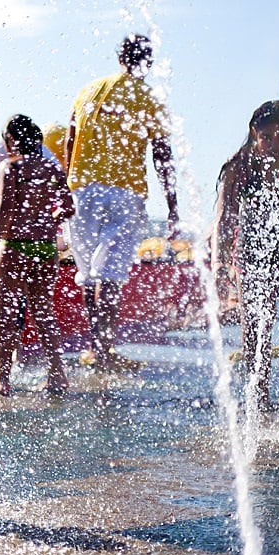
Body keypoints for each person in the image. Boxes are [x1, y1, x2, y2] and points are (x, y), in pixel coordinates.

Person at [65, 34, 178, 369]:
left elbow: (71, 141)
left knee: (88, 273)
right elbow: (162, 154)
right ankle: (104, 351)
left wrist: (66, 188)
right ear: (148, 61)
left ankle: (93, 346)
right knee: (111, 275)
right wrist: (173, 205)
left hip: (81, 191)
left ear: (119, 58)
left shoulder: (88, 90)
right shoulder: (148, 97)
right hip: (124, 192)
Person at [212, 101, 279, 409]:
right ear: (254, 135)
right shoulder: (239, 167)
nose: (276, 145)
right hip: (254, 245)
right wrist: (219, 264)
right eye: (267, 137)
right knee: (256, 323)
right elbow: (223, 220)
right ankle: (258, 396)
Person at [0, 115, 74, 396]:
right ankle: (57, 375)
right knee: (44, 312)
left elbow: (4, 211)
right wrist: (47, 217)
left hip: (15, 246)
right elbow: (68, 207)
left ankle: (3, 380)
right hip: (45, 248)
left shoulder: (11, 168)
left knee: (6, 313)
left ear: (11, 140)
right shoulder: (52, 167)